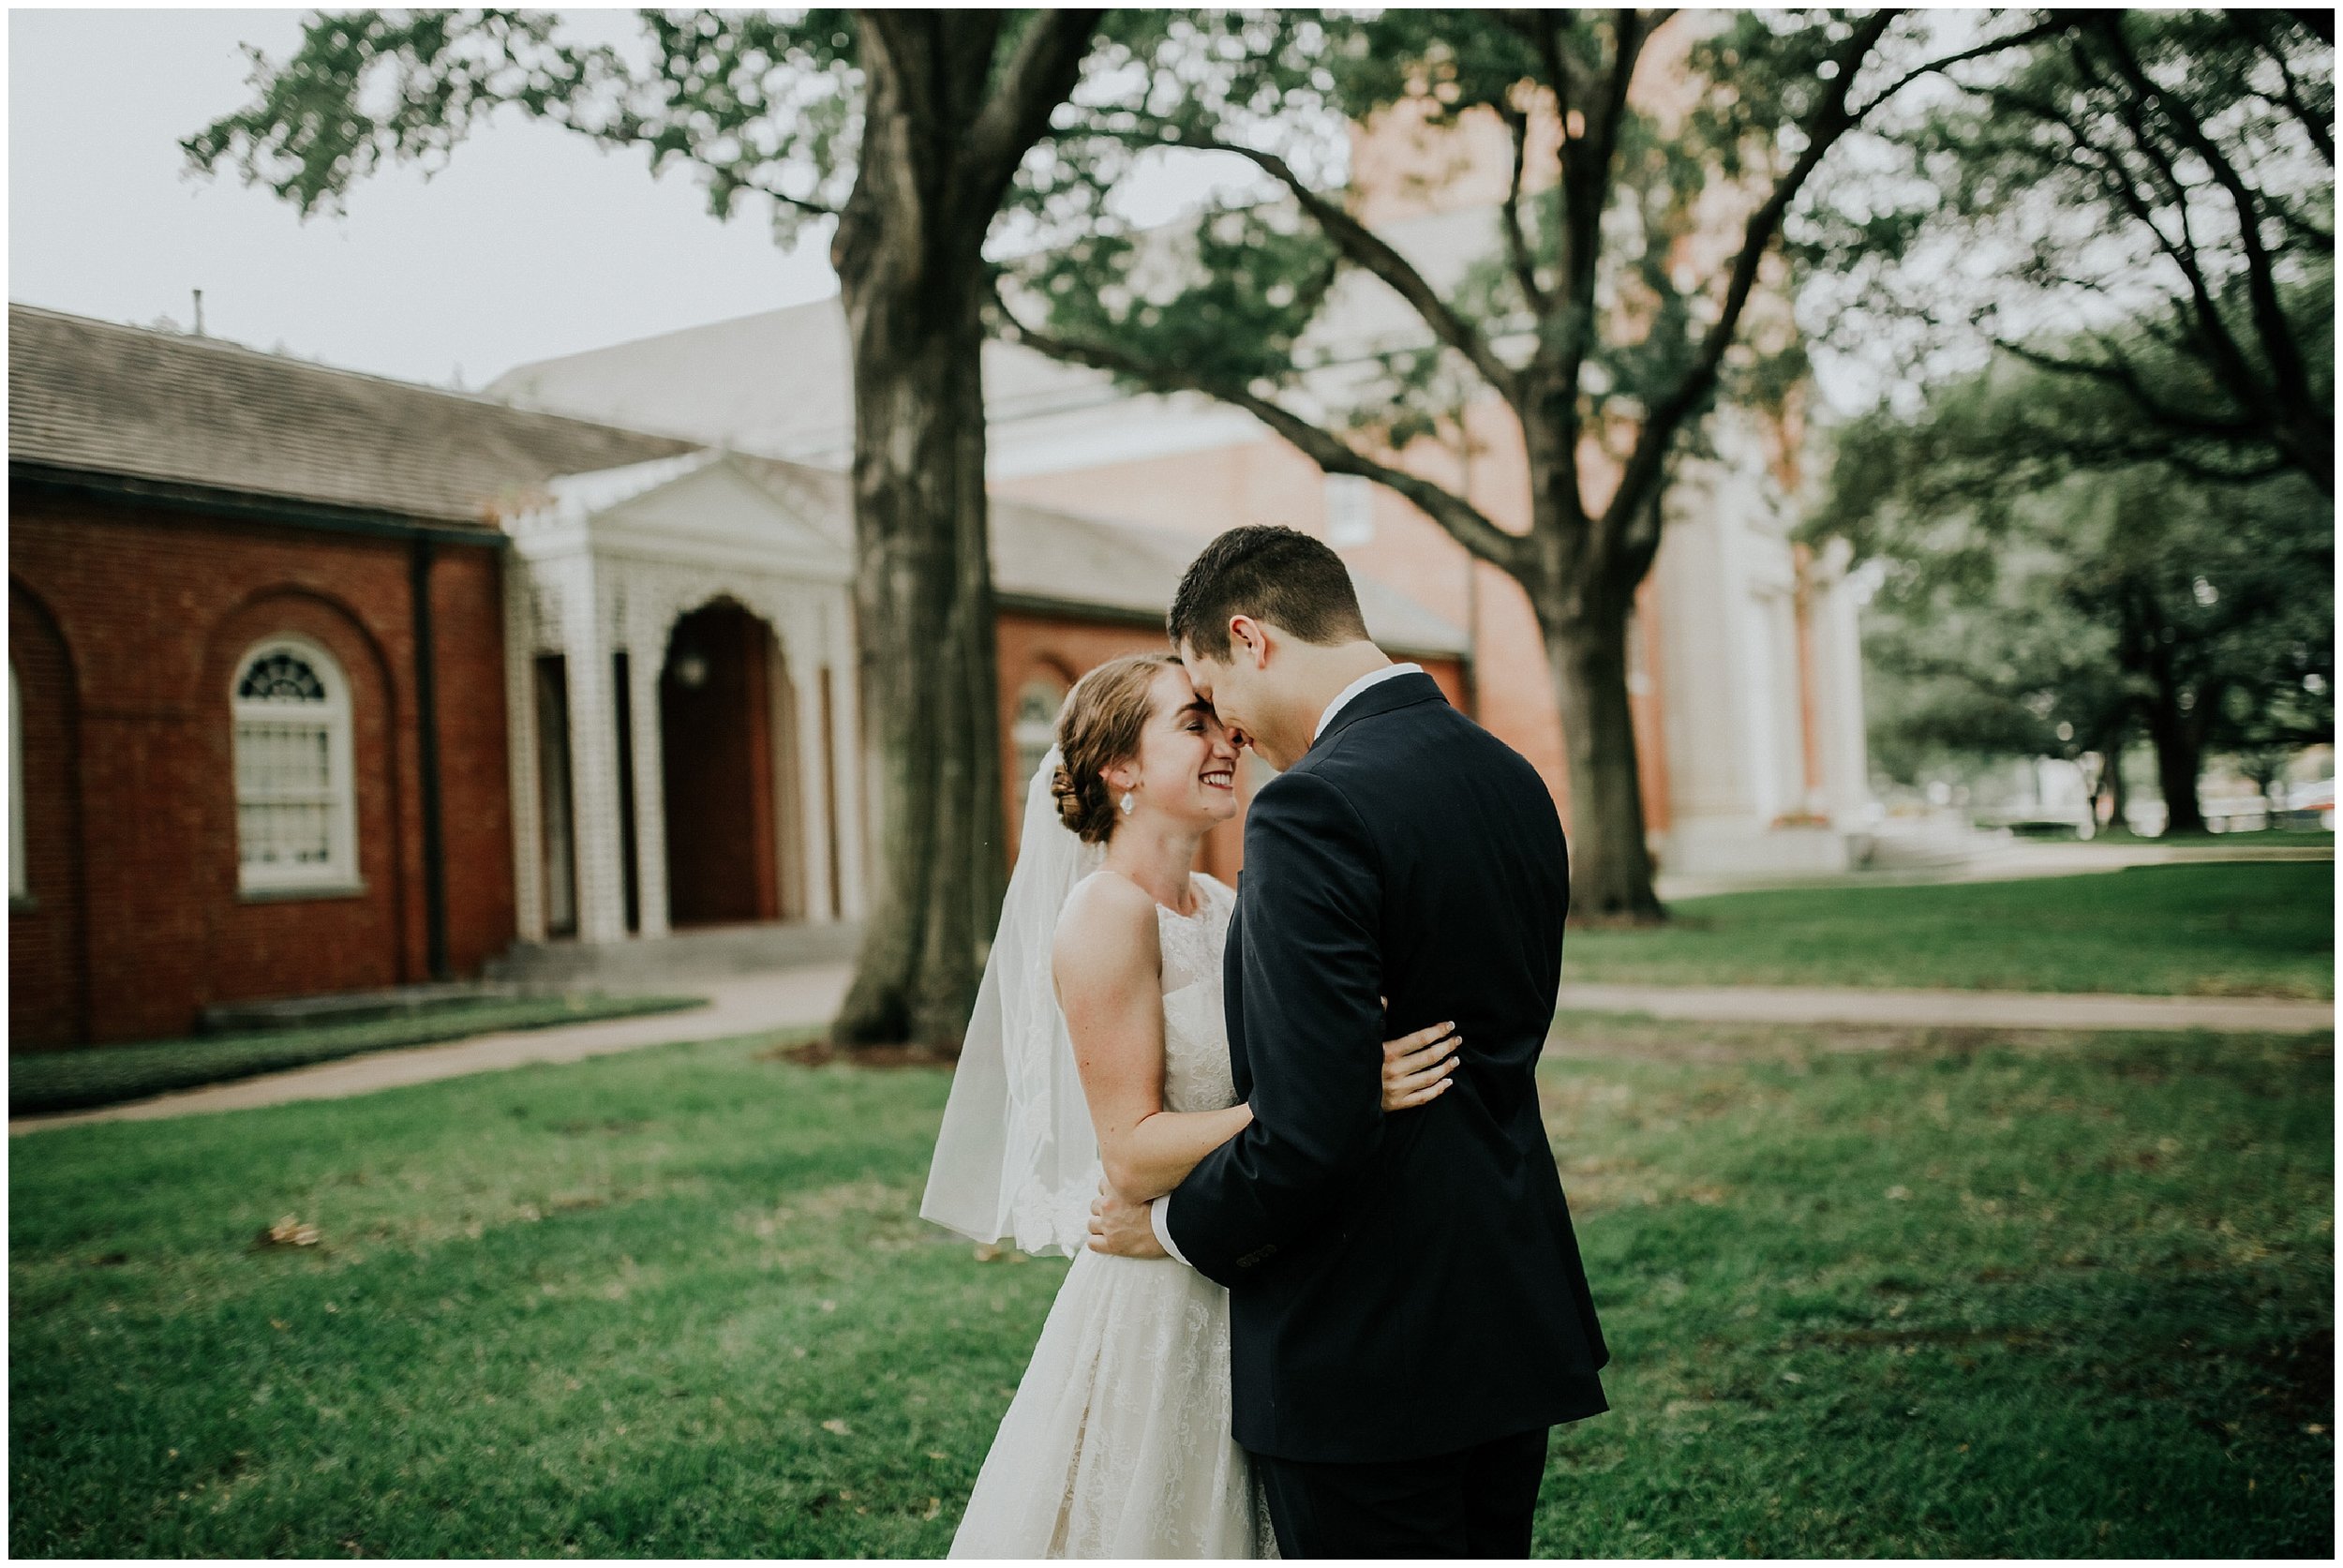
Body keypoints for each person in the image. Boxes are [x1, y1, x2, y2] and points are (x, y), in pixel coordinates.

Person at [1087, 525, 1610, 1559]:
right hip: (1510, 1306)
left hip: (1367, 1342)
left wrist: (1176, 1227)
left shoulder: (1312, 808)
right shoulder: (1508, 775)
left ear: (1250, 638)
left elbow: (1311, 1129)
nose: (1226, 728)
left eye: (1209, 688)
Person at [921, 650, 1463, 1558]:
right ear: (1119, 770)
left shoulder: (1218, 900)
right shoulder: (1105, 913)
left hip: (1251, 1264)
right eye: (1193, 723)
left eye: (1222, 720)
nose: (1228, 740)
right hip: (1161, 1299)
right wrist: (1332, 1094)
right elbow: (1129, 1152)